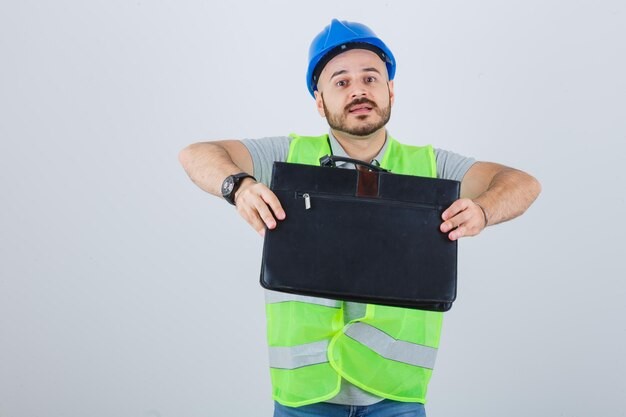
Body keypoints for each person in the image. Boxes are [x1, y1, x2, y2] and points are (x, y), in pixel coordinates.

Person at [179, 19, 541, 417]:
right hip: (304, 397)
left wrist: (483, 210)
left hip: (396, 397)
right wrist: (239, 186)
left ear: (390, 91)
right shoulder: (286, 158)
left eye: (370, 78)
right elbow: (196, 153)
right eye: (341, 82)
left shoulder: (430, 166)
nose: (358, 91)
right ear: (319, 101)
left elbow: (522, 184)